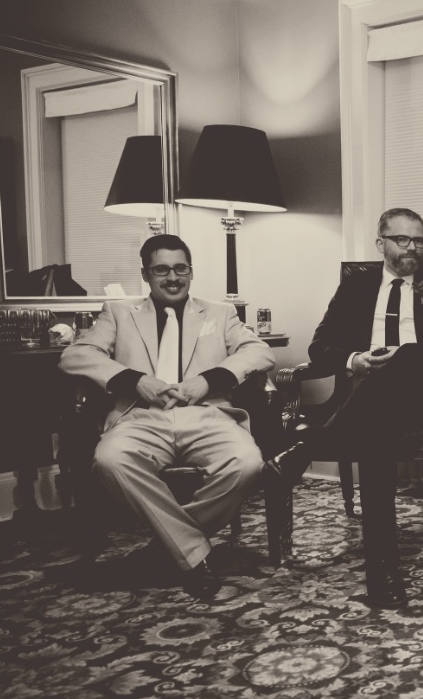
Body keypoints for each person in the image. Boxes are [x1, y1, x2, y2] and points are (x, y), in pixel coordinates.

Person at [269, 207, 423, 609]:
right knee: (375, 435)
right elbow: (319, 346)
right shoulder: (357, 286)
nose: (413, 247)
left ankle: (305, 450)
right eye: (403, 239)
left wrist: (405, 356)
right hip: (365, 397)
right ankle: (383, 573)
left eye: (419, 240)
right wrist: (355, 360)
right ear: (381, 243)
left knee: (406, 356)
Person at [60, 234, 273, 599]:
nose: (173, 278)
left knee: (246, 462)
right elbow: (75, 356)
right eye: (161, 270)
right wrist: (136, 381)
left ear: (191, 271)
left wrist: (208, 381)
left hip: (205, 414)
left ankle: (168, 548)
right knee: (110, 461)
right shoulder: (119, 312)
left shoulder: (220, 312)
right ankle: (193, 553)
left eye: (180, 268)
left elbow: (260, 352)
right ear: (146, 274)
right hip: (141, 416)